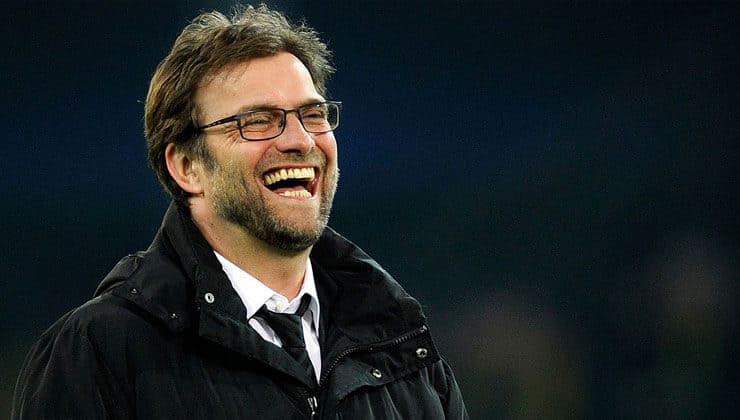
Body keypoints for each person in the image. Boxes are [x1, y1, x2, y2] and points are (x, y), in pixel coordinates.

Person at [11, 4, 468, 419]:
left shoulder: (401, 347)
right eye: (257, 121)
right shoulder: (99, 352)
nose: (300, 140)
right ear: (187, 167)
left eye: (313, 115)